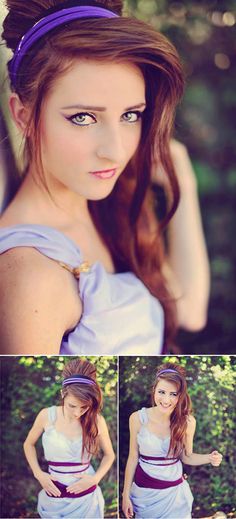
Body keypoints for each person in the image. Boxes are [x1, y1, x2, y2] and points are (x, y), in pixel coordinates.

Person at [0, 0, 210, 355]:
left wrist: (182, 182)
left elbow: (189, 311)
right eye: (83, 117)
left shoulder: (107, 203)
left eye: (131, 115)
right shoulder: (30, 273)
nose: (115, 151)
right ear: (23, 116)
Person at [122, 363, 223, 519]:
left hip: (175, 496)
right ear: (154, 390)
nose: (166, 399)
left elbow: (186, 456)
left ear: (180, 395)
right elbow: (133, 457)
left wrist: (209, 458)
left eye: (173, 394)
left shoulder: (187, 422)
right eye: (161, 392)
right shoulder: (137, 418)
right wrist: (125, 494)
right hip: (145, 496)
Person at [23, 357, 115, 518]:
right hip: (54, 495)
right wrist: (38, 473)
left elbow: (110, 455)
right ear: (62, 394)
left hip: (86, 497)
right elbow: (28, 444)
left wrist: (95, 479)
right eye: (72, 406)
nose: (77, 413)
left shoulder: (97, 421)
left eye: (84, 407)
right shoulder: (47, 415)